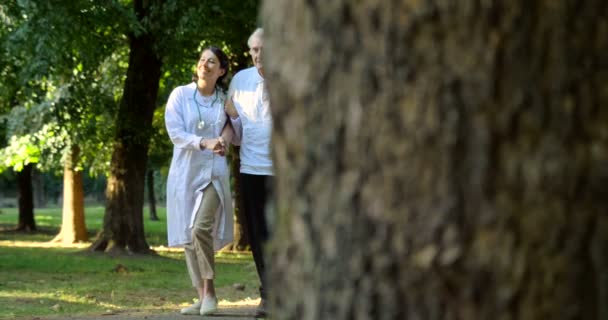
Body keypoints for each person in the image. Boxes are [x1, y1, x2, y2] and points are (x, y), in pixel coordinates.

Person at [165, 46, 234, 316]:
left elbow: (233, 125)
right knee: (188, 236)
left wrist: (224, 141)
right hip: (186, 173)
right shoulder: (180, 95)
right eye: (202, 59)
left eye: (212, 61)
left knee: (200, 229)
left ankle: (211, 294)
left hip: (214, 173)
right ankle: (201, 295)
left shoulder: (225, 99)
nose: (205, 64)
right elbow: (175, 133)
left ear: (221, 70)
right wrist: (204, 142)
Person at [225, 27, 273, 318]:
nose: (258, 55)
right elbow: (238, 132)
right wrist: (229, 121)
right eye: (254, 50)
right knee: (258, 235)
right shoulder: (240, 81)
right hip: (251, 168)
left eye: (263, 49)